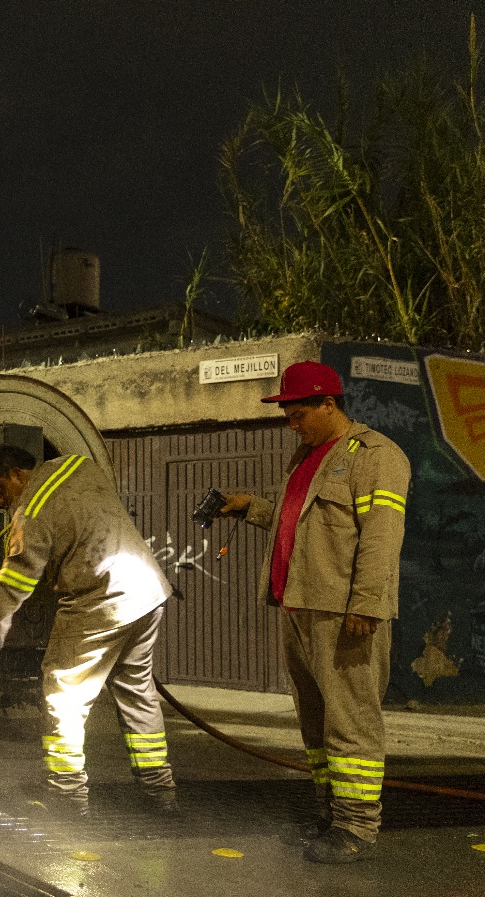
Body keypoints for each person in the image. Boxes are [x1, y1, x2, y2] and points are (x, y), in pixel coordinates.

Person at [219, 360, 409, 864]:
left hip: (341, 611)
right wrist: (249, 507)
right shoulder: (306, 456)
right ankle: (330, 815)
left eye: (298, 412)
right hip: (297, 603)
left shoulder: (376, 457)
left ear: (330, 404)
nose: (291, 423)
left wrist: (366, 604)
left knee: (351, 720)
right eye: (287, 414)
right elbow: (296, 522)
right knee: (316, 721)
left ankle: (357, 828)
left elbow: (382, 539)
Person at [0, 444, 178, 817]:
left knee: (63, 694)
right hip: (148, 591)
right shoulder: (81, 465)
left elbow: (14, 584)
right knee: (137, 691)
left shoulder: (29, 514)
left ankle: (67, 798)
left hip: (101, 599)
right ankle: (159, 793)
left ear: (18, 473)